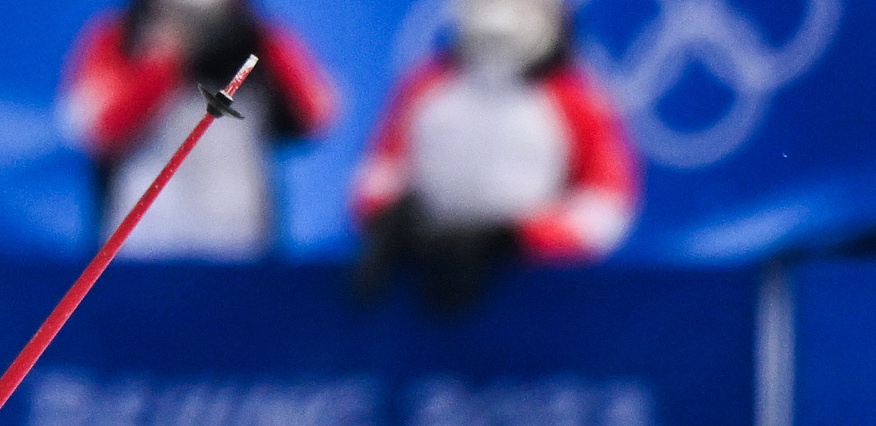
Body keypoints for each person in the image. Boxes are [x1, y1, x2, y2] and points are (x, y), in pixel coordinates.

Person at [352, 0, 638, 311]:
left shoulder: (580, 102)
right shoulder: (424, 87)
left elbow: (605, 208)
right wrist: (391, 217)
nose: (498, 19)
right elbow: (379, 171)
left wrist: (512, 238)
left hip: (534, 294)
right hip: (417, 281)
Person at [59, 0, 337, 260]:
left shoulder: (259, 40)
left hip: (240, 244)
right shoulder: (121, 37)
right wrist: (166, 61)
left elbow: (317, 116)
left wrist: (259, 47)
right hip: (141, 249)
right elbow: (96, 129)